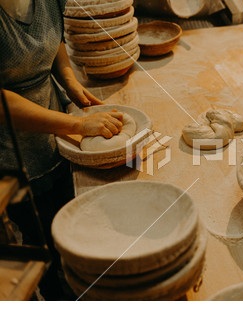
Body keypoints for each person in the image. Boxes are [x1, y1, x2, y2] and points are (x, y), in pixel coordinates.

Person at [0, 0, 123, 299]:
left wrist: (69, 81)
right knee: (39, 238)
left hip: (55, 127)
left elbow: (52, 40)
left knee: (71, 220)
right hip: (12, 150)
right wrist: (77, 126)